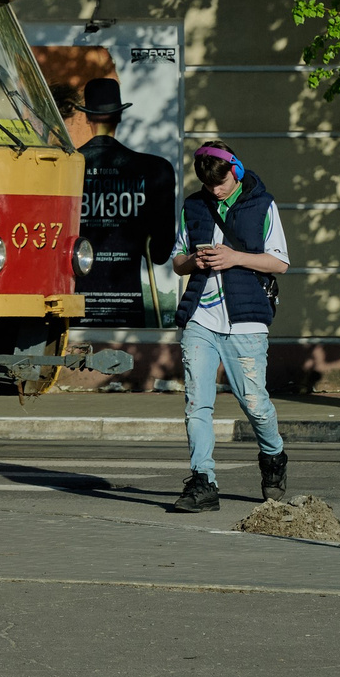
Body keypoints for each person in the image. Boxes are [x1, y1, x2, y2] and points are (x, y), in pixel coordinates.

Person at [168, 142, 291, 513]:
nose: (215, 191)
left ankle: (273, 456)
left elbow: (280, 263)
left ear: (235, 172)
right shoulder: (193, 206)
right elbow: (177, 261)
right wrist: (193, 260)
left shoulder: (263, 205)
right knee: (196, 403)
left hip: (246, 321)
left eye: (220, 184)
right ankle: (203, 481)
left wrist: (235, 257)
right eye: (208, 185)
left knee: (255, 405)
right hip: (199, 319)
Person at [71, 77, 178, 327]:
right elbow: (161, 253)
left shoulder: (64, 168)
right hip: (128, 309)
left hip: (76, 308)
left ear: (87, 117)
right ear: (119, 116)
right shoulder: (155, 169)